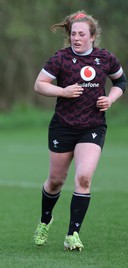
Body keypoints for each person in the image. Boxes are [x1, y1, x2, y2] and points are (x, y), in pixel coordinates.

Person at [33, 10, 126, 251]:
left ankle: (72, 234)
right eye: (73, 34)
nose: (76, 38)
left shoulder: (105, 58)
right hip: (63, 126)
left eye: (82, 34)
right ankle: (45, 220)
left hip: (93, 127)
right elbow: (39, 85)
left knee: (84, 178)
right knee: (55, 182)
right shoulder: (60, 59)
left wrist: (111, 99)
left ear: (92, 36)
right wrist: (62, 91)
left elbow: (121, 82)